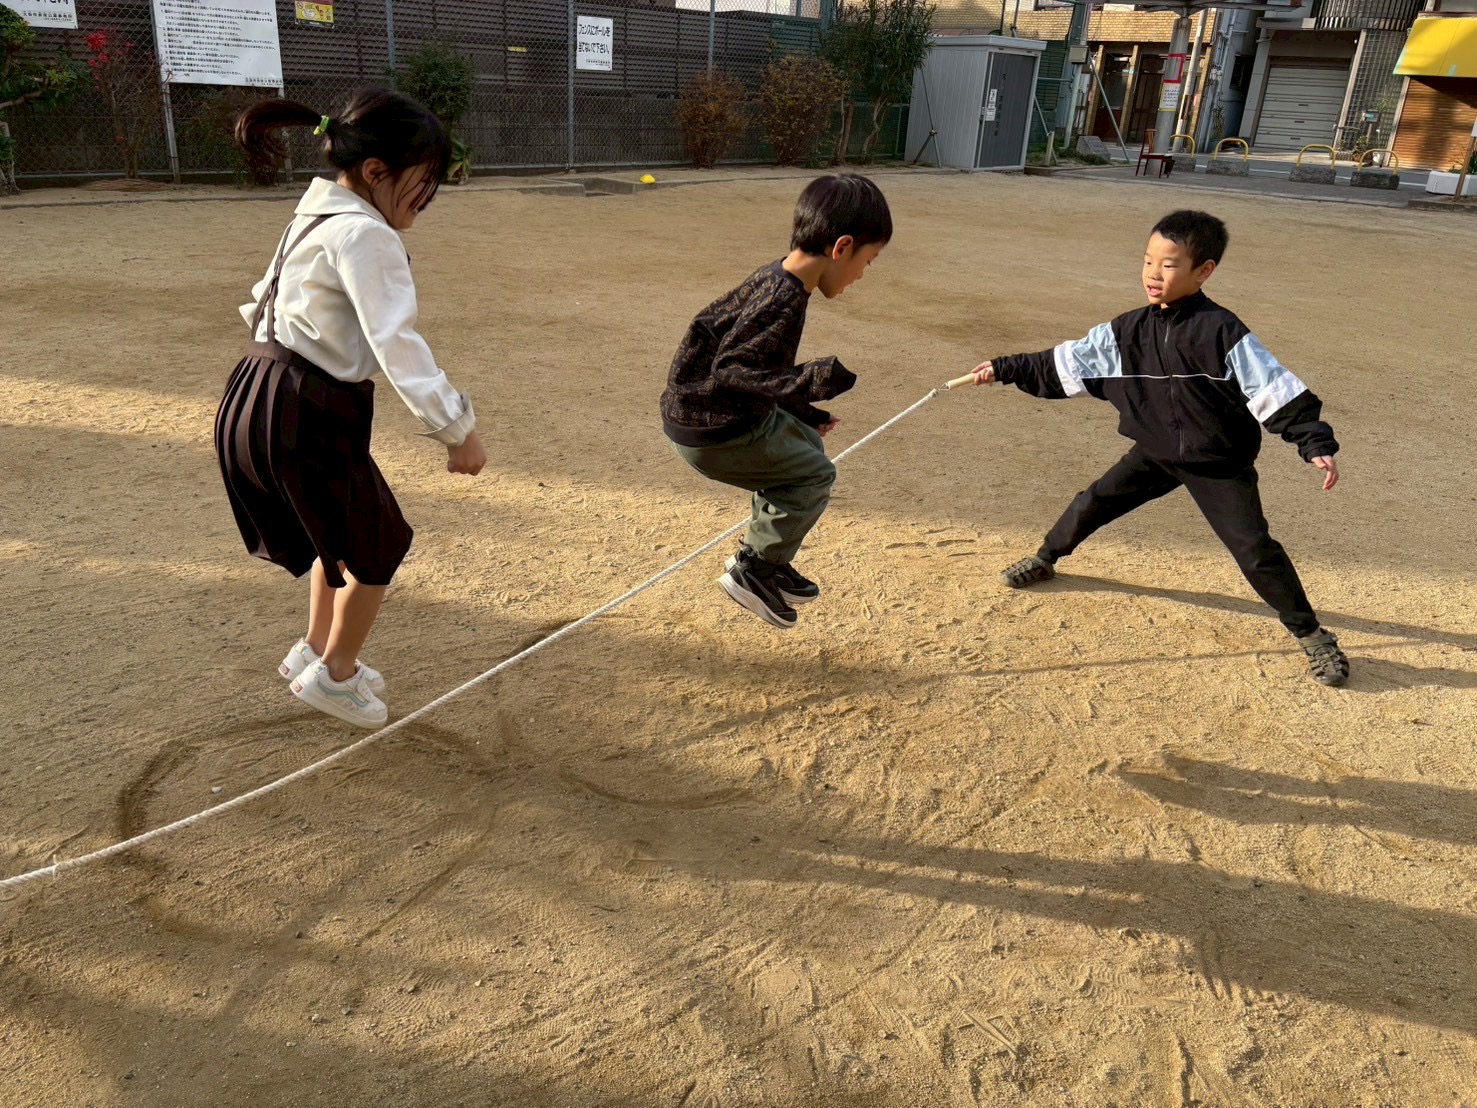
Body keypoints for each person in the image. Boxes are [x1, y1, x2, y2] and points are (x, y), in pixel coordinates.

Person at [968, 209, 1349, 686]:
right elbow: (1065, 360)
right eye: (1148, 261)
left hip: (1217, 463)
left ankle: (1312, 636)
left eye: (1168, 265)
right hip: (1155, 451)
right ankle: (1045, 558)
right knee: (1093, 502)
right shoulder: (1126, 331)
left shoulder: (1222, 331)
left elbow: (1272, 387)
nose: (1153, 273)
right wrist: (1004, 368)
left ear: (1204, 271)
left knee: (1254, 550)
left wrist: (1312, 441)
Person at [215, 87, 486, 728]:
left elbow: (264, 300)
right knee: (380, 545)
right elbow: (397, 342)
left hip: (256, 391)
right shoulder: (366, 235)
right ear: (376, 171)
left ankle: (315, 648)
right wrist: (457, 430)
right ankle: (336, 676)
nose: (427, 197)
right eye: (422, 182)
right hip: (307, 410)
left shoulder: (312, 219)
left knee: (332, 537)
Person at [660, 174, 892, 629]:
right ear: (842, 247)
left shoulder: (778, 276)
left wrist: (803, 410)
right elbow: (733, 369)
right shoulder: (782, 300)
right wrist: (814, 380)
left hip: (712, 411)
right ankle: (754, 570)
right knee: (814, 474)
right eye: (868, 261)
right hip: (714, 429)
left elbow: (751, 366)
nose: (863, 274)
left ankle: (770, 557)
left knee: (807, 443)